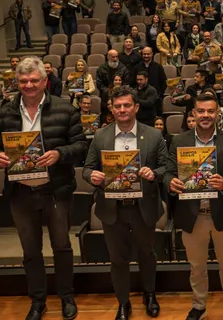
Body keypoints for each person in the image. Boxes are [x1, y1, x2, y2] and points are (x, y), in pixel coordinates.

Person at [0, 56, 88, 320]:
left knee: (62, 247)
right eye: (23, 81)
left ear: (45, 81)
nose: (29, 85)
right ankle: (37, 301)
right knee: (30, 251)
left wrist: (59, 154)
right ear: (16, 83)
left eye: (34, 80)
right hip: (20, 192)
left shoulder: (66, 109)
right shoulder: (5, 112)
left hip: (54, 190)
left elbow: (80, 146)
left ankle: (67, 297)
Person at [82, 85, 167, 320]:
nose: (122, 110)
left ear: (136, 107)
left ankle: (149, 294)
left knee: (146, 254)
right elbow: (87, 169)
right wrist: (93, 176)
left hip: (143, 207)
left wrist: (155, 174)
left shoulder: (154, 135)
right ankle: (123, 302)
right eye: (117, 106)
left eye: (127, 105)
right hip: (113, 209)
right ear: (111, 108)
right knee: (118, 260)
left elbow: (166, 167)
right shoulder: (100, 136)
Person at [165, 93, 223, 320]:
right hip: (192, 215)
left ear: (217, 113)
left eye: (210, 111)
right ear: (193, 113)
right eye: (201, 111)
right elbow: (168, 172)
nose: (205, 116)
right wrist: (170, 182)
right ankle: (199, 306)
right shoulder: (179, 141)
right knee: (197, 267)